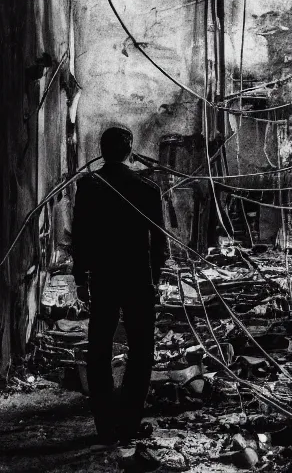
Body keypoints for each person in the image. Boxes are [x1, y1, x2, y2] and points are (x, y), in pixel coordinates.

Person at [72, 126, 167, 445]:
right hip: (138, 278)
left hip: (103, 278)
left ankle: (104, 425)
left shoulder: (88, 185)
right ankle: (128, 424)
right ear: (130, 151)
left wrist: (79, 278)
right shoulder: (147, 188)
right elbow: (160, 243)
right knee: (142, 351)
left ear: (103, 150)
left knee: (99, 347)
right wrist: (155, 279)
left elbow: (80, 236)